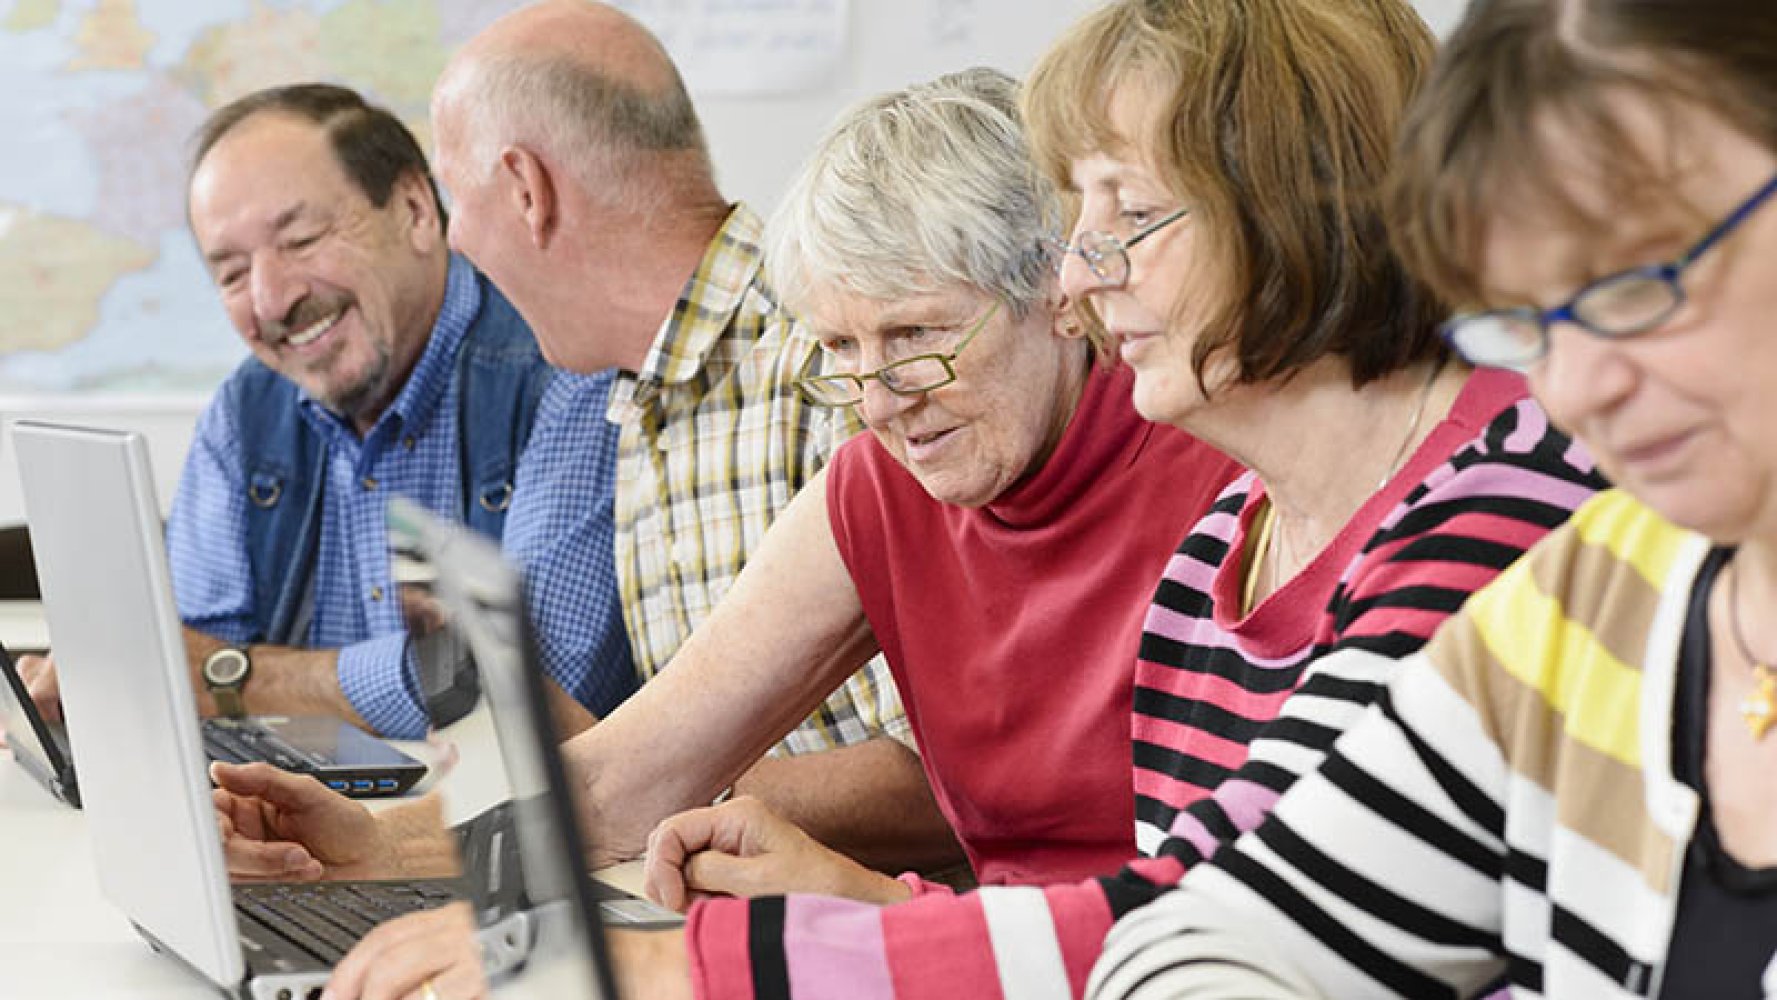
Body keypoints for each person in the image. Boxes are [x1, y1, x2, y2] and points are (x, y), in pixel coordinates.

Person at [218, 63, 1245, 1000]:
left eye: (917, 338)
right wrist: (368, 841)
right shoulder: (879, 483)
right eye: (842, 348)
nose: (879, 400)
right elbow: (626, 775)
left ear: (1057, 296)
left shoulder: (1219, 476)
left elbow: (1232, 928)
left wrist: (863, 908)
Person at [1088, 1, 1777, 998]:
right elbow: (1200, 935)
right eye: (1525, 324)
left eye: (1632, 282)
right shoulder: (1598, 585)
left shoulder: (1524, 521)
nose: (1577, 388)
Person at [15, 84, 631, 739]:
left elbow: (534, 696)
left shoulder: (566, 370)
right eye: (230, 273)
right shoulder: (244, 414)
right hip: (307, 825)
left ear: (417, 211)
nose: (271, 299)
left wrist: (238, 679)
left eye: (302, 239)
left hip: (522, 830)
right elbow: (176, 669)